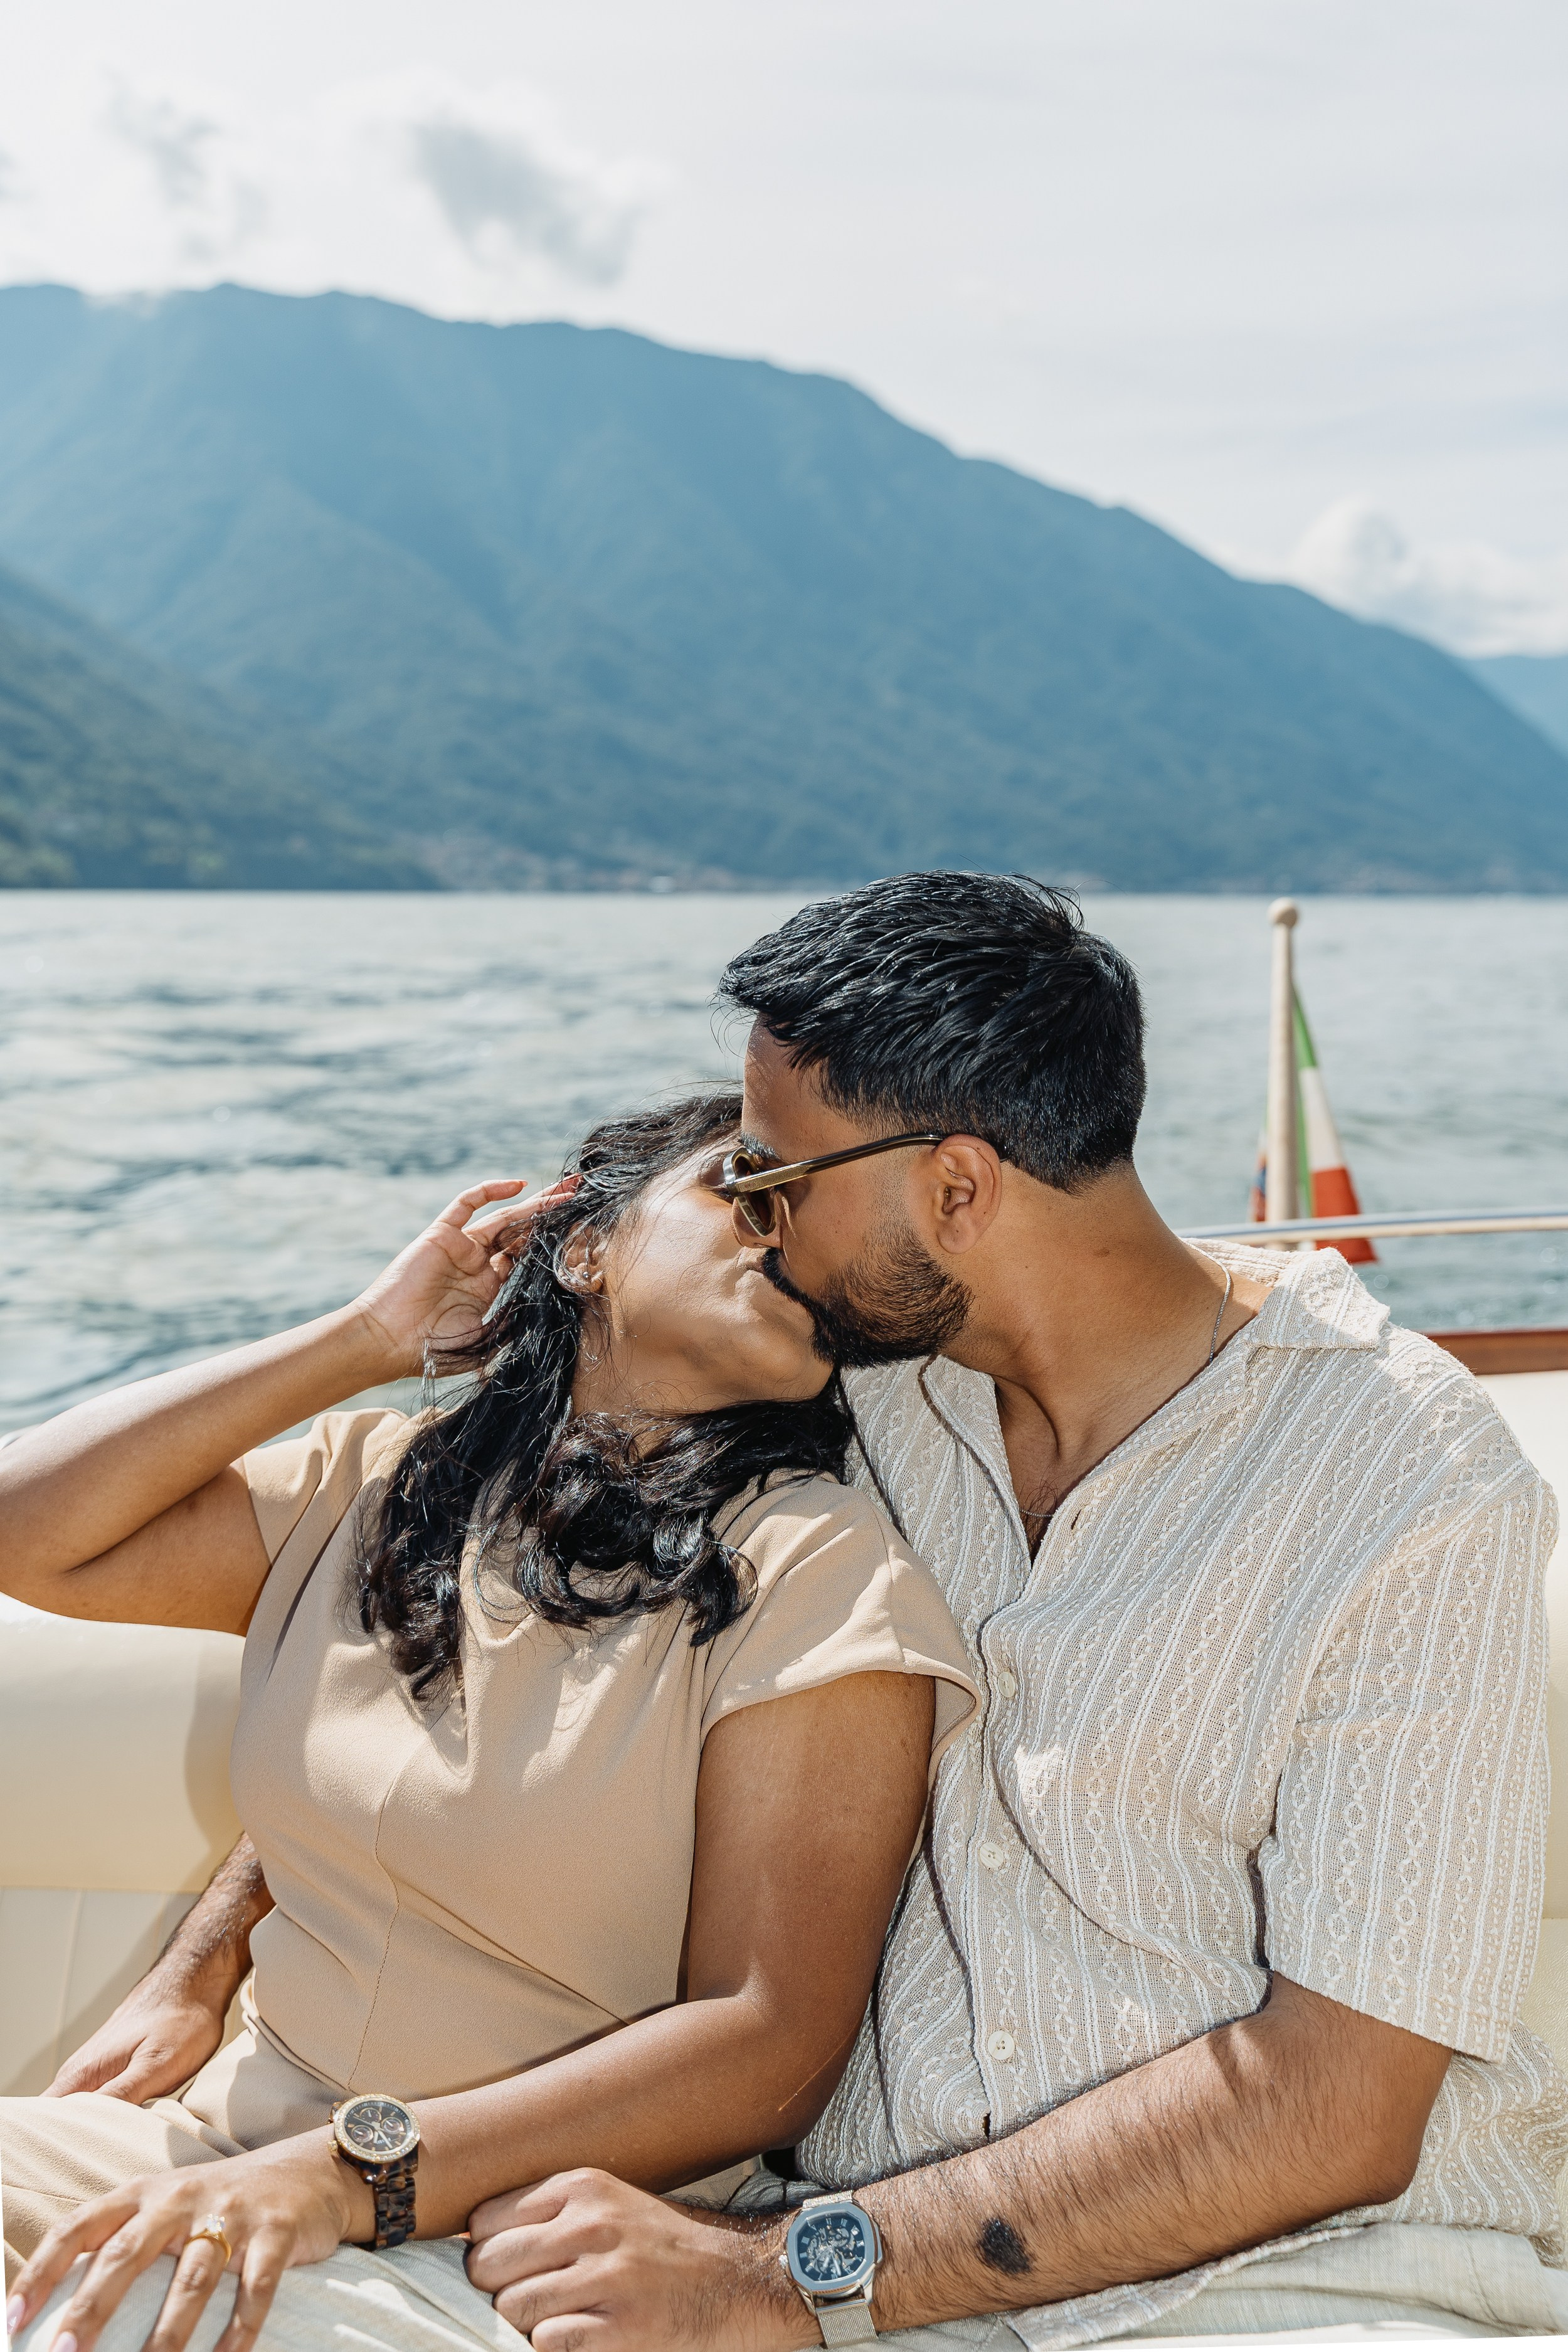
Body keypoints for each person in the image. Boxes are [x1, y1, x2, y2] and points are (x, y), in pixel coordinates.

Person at [15, 874, 1563, 2352]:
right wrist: (214, 1945)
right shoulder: (872, 1389)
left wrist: (778, 2276)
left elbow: (1332, 2108)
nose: (759, 1223)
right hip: (862, 2271)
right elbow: (443, 1660)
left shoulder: (1411, 1485)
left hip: (1289, 2284)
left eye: (773, 1177)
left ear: (952, 1189)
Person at [0, 1091, 978, 2352]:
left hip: (514, 2241)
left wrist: (346, 2174)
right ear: (586, 1249)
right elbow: (30, 1530)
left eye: (815, 1211)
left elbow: (768, 2041)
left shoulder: (817, 1568)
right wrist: (365, 1337)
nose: (788, 1231)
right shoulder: (381, 1485)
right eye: (744, 1185)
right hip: (219, 2143)